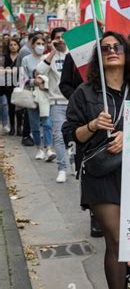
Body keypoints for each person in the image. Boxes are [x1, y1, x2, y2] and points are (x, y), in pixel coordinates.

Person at [63, 32, 130, 289]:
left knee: (129, 244)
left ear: (127, 54)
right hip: (100, 176)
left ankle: (121, 278)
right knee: (116, 239)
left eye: (117, 47)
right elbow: (70, 135)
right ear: (98, 57)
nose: (112, 51)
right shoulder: (85, 93)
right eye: (105, 48)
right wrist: (91, 126)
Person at [36, 29, 69, 182]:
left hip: (75, 102)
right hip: (57, 103)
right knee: (59, 137)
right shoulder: (48, 57)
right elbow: (39, 70)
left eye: (63, 37)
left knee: (75, 136)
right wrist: (53, 51)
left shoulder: (74, 54)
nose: (61, 40)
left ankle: (76, 164)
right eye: (57, 38)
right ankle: (62, 168)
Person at [21, 34, 55, 161]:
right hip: (31, 94)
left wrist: (44, 83)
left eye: (42, 44)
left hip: (45, 94)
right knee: (34, 124)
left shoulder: (48, 58)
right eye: (38, 44)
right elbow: (22, 79)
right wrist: (32, 82)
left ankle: (49, 149)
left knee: (47, 123)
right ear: (32, 45)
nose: (40, 46)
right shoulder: (26, 60)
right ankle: (39, 149)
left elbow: (52, 77)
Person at [0, 35, 22, 135]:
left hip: (19, 84)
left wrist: (14, 71)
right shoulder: (4, 57)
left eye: (15, 45)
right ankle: (12, 127)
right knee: (11, 106)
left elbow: (23, 69)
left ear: (18, 46)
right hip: (8, 85)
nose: (13, 46)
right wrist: (9, 71)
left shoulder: (21, 56)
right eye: (11, 45)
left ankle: (19, 128)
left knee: (20, 107)